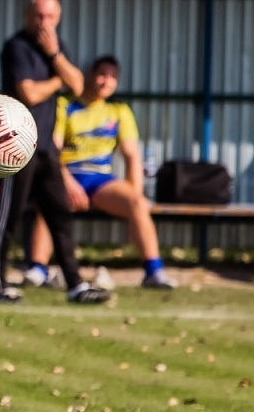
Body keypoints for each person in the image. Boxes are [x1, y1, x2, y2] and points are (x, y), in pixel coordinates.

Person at [0, 0, 110, 305]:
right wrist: (59, 80)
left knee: (60, 216)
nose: (44, 22)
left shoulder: (56, 49)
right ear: (27, 16)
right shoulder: (16, 48)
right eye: (39, 16)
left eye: (50, 17)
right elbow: (29, 94)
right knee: (8, 218)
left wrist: (56, 56)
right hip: (15, 146)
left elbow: (79, 85)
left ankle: (75, 285)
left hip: (46, 147)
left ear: (58, 18)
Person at [24, 56, 176, 290]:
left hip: (100, 181)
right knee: (49, 202)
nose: (107, 81)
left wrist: (134, 194)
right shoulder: (65, 105)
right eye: (103, 75)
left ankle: (153, 272)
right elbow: (52, 151)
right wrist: (68, 183)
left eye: (113, 77)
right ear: (90, 75)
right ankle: (38, 269)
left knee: (137, 203)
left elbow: (132, 157)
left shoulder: (118, 111)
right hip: (67, 175)